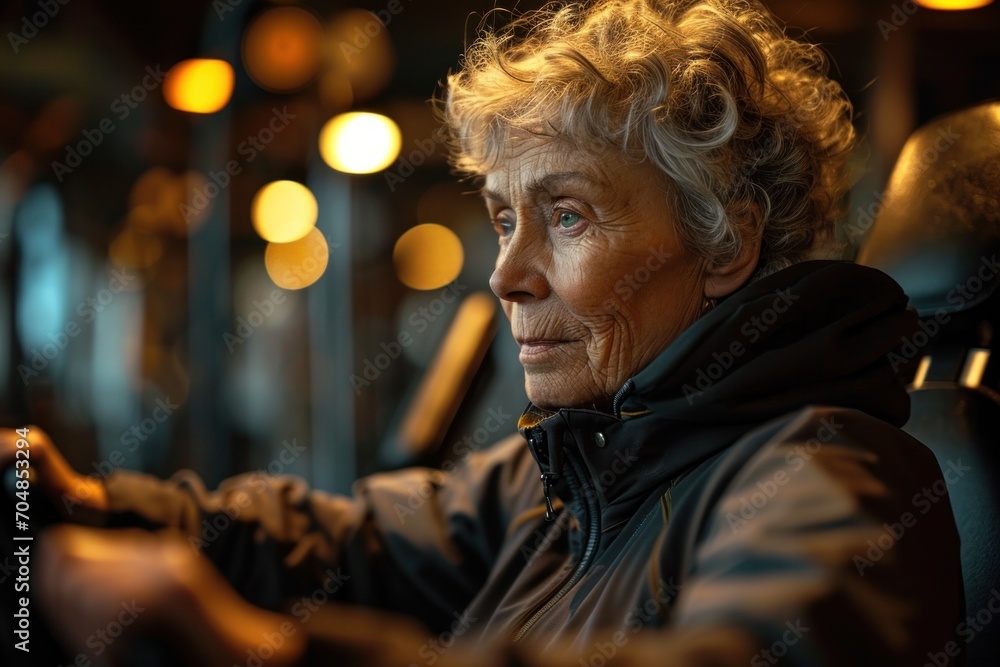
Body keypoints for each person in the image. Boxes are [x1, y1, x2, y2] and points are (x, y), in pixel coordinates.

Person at [1, 1, 962, 665]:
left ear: (726, 242)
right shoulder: (577, 470)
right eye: (506, 219)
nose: (507, 274)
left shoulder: (829, 477)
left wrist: (265, 651)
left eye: (570, 216)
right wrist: (76, 500)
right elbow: (339, 545)